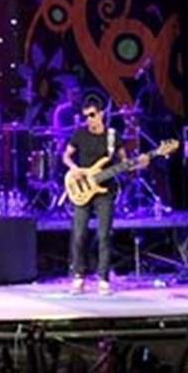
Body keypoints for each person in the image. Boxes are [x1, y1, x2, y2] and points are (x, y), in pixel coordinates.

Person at [63, 100, 146, 295]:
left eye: (92, 115)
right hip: (83, 188)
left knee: (104, 235)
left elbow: (124, 162)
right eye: (85, 116)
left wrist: (138, 163)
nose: (88, 119)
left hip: (105, 191)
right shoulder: (80, 134)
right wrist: (74, 169)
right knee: (79, 233)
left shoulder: (112, 136)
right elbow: (66, 156)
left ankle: (103, 278)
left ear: (101, 114)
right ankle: (79, 276)